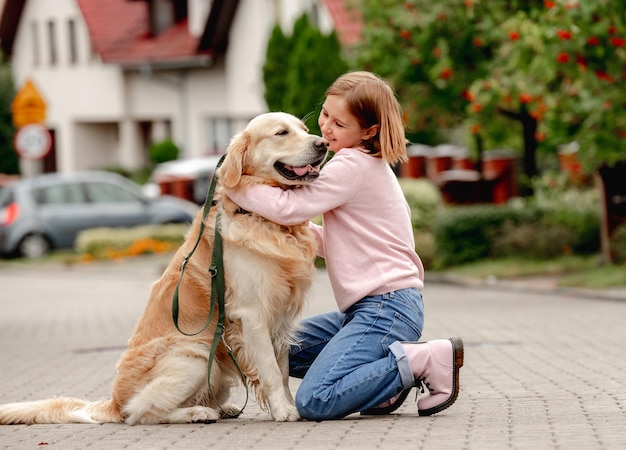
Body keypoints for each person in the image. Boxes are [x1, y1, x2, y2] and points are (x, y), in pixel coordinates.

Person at [223, 71, 464, 420]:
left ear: (368, 132)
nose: (326, 128)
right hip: (368, 311)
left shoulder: (350, 166)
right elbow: (333, 239)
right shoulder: (365, 164)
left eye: (340, 122)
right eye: (325, 115)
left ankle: (425, 359)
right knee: (286, 346)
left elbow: (290, 208)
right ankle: (379, 389)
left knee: (315, 400)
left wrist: (233, 183)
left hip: (387, 309)